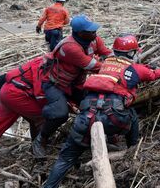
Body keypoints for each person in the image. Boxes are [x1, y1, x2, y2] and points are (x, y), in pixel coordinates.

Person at [32, 34, 160, 188]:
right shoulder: (134, 68)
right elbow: (154, 74)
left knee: (66, 157)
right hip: (113, 119)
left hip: (85, 118)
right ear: (133, 52)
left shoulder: (103, 65)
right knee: (132, 115)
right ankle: (133, 149)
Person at [32, 14, 113, 159]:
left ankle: (100, 135)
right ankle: (40, 139)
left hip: (75, 83)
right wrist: (115, 67)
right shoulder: (69, 47)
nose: (95, 33)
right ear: (80, 33)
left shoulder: (94, 40)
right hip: (55, 84)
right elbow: (93, 66)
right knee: (60, 113)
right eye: (91, 31)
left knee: (95, 104)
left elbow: (107, 53)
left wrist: (119, 59)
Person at [0, 56, 46, 160]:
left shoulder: (39, 63)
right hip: (16, 95)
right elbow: (40, 92)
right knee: (41, 118)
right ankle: (38, 150)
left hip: (9, 92)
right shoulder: (42, 64)